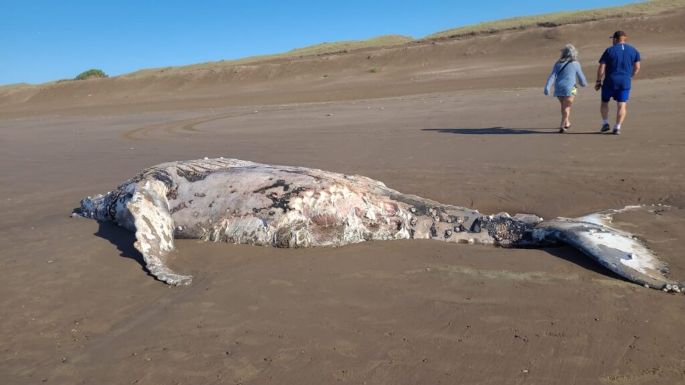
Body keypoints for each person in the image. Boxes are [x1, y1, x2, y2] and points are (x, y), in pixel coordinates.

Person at [594, 31, 641, 135]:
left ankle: (605, 122)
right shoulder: (633, 50)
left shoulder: (609, 50)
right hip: (625, 81)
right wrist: (630, 76)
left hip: (610, 81)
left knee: (604, 102)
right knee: (622, 104)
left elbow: (602, 67)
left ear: (615, 39)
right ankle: (617, 127)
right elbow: (637, 67)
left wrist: (598, 81)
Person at [544, 44, 588, 133]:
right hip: (572, 88)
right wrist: (583, 83)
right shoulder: (575, 63)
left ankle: (567, 122)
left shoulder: (558, 63)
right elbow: (581, 76)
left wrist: (547, 87)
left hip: (559, 87)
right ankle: (562, 125)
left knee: (564, 106)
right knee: (567, 107)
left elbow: (552, 76)